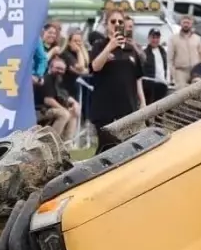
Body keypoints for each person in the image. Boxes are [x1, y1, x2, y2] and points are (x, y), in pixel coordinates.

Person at [88, 12, 144, 154]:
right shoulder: (99, 45)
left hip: (126, 106)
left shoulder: (130, 49)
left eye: (120, 22)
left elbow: (138, 77)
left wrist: (142, 102)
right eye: (113, 22)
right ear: (106, 25)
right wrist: (109, 47)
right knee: (106, 149)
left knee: (127, 149)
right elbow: (95, 66)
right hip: (104, 107)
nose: (117, 25)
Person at [39, 55, 79, 143]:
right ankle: (51, 143)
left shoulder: (58, 80)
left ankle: (66, 145)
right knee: (64, 114)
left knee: (73, 114)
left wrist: (75, 104)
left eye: (62, 69)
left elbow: (65, 96)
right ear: (50, 67)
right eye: (57, 68)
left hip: (50, 110)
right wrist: (64, 109)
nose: (60, 71)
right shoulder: (46, 78)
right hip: (40, 110)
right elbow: (48, 100)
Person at [171, 15, 201, 89]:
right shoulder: (173, 39)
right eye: (184, 22)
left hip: (195, 70)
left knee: (196, 91)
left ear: (191, 24)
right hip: (180, 71)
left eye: (188, 23)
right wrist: (172, 74)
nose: (186, 25)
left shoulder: (197, 38)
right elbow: (170, 58)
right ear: (180, 24)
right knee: (181, 93)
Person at [140, 28, 170, 105]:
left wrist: (167, 81)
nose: (155, 40)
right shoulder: (144, 53)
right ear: (149, 38)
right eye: (153, 37)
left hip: (162, 85)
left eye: (157, 38)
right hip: (150, 86)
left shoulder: (163, 51)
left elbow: (166, 68)